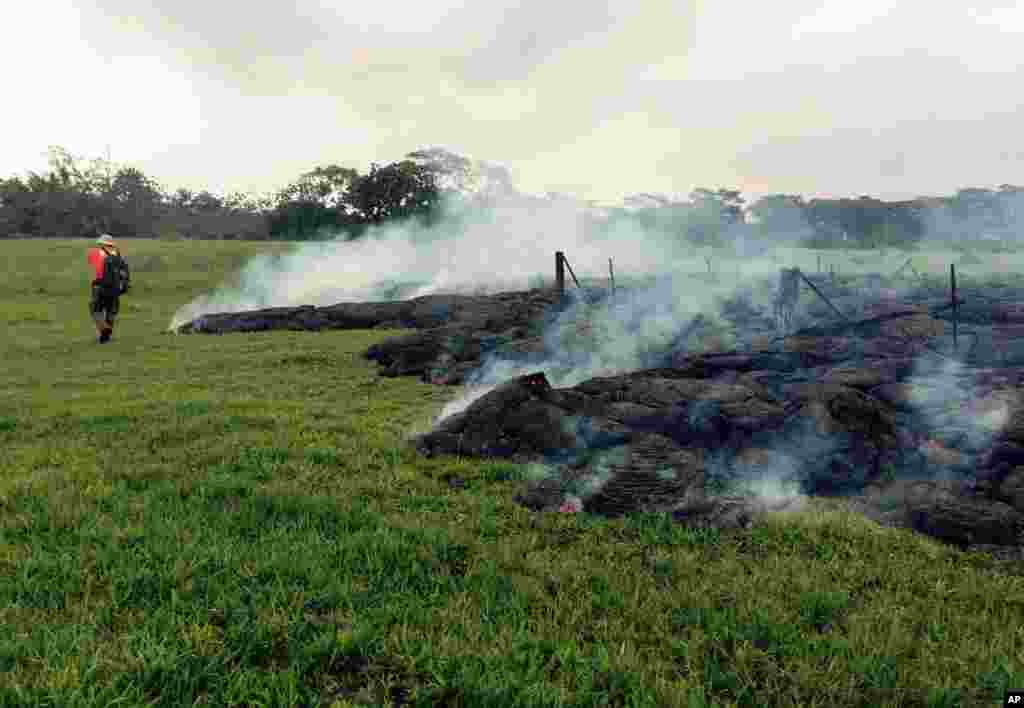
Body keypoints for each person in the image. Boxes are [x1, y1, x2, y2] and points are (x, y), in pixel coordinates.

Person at [87, 234, 123, 343]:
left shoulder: (95, 253)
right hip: (115, 288)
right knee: (111, 311)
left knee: (95, 309)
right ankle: (106, 338)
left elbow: (90, 261)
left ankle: (104, 328)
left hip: (100, 286)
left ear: (101, 244)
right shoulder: (117, 254)